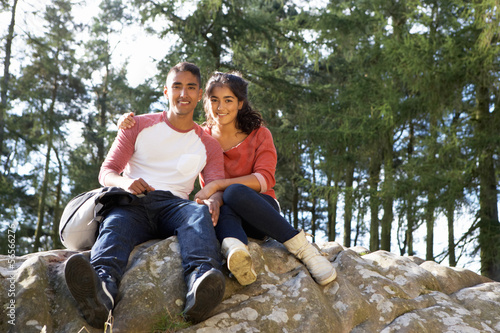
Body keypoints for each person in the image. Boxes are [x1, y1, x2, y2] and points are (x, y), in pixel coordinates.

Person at [118, 71, 337, 288]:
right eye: (214, 100)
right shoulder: (200, 137)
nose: (220, 107)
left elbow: (265, 179)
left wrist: (217, 185)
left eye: (228, 100)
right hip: (221, 214)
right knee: (218, 204)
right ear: (206, 101)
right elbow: (167, 140)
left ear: (240, 103)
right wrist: (129, 123)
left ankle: (305, 251)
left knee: (233, 193)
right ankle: (237, 254)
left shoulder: (260, 134)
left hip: (260, 211)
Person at [64, 62, 226, 329]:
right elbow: (107, 171)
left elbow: (215, 185)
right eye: (177, 86)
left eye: (190, 87)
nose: (183, 93)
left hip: (175, 206)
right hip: (132, 203)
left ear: (199, 95)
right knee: (115, 225)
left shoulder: (208, 143)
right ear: (166, 91)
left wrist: (213, 200)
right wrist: (126, 183)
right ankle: (100, 294)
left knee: (197, 214)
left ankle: (200, 285)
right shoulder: (137, 125)